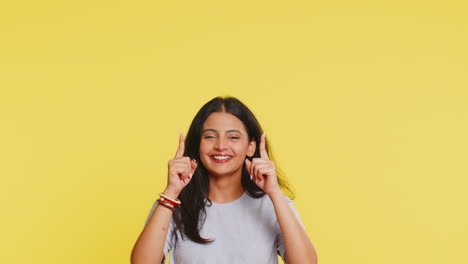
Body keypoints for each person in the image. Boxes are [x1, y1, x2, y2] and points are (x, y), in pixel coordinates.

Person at [131, 96, 317, 264]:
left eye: (233, 137)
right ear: (198, 144)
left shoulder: (273, 204)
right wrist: (171, 192)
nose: (220, 146)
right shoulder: (172, 204)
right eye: (210, 136)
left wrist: (275, 193)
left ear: (250, 147)